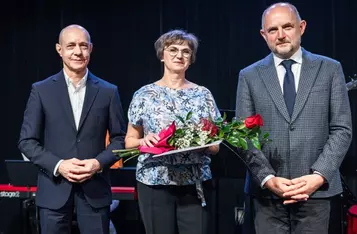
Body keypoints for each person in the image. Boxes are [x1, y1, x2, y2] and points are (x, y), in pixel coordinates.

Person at [236, 3, 352, 234]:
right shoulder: (249, 75)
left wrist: (318, 176)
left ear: (302, 27)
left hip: (317, 191)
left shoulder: (329, 69)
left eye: (287, 27)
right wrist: (268, 178)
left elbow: (342, 129)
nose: (280, 35)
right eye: (272, 30)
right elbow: (243, 135)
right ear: (263, 34)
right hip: (267, 194)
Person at [18, 24, 126, 234]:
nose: (78, 51)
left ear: (91, 49)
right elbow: (26, 141)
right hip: (53, 189)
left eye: (83, 46)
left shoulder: (108, 91)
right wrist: (59, 165)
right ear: (60, 49)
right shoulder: (41, 90)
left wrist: (97, 163)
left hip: (95, 190)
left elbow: (119, 139)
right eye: (71, 46)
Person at [125, 29, 220, 234]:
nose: (179, 55)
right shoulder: (144, 94)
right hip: (154, 181)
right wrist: (144, 141)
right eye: (173, 50)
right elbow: (129, 141)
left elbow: (215, 147)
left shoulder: (203, 94)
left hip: (195, 183)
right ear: (162, 55)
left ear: (191, 59)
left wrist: (200, 140)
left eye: (186, 51)